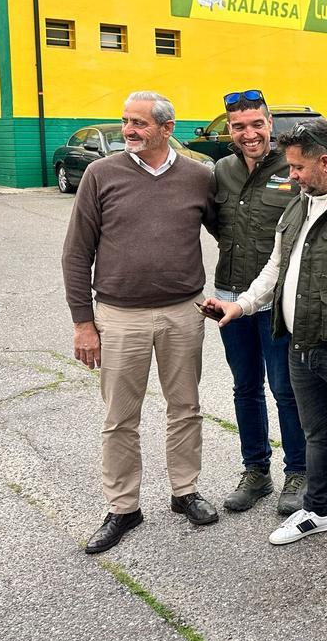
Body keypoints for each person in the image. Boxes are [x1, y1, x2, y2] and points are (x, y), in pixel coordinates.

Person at [205, 120, 327, 572]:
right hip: (300, 343)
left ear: (325, 162)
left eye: (298, 167)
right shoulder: (299, 206)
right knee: (316, 434)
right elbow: (275, 269)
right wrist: (242, 306)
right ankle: (320, 510)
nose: (291, 176)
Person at [61, 91, 218, 554]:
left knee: (185, 408)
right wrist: (82, 323)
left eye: (140, 123)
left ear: (167, 129)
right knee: (119, 418)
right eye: (126, 121)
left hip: (183, 313)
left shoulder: (197, 177)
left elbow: (228, 233)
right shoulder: (100, 174)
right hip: (118, 316)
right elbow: (76, 254)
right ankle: (123, 507)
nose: (129, 130)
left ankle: (185, 491)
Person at [208, 90, 305, 515]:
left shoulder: (294, 167)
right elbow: (218, 226)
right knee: (245, 388)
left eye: (256, 124)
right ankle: (256, 472)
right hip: (230, 297)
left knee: (286, 390)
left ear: (270, 124)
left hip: (278, 302)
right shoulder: (221, 170)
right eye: (239, 126)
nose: (249, 134)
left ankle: (299, 473)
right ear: (230, 130)